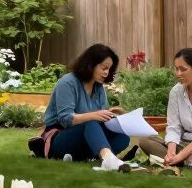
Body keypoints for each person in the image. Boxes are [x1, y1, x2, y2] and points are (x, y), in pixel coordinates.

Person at [37, 43, 132, 171]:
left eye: (109, 69)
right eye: (103, 67)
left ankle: (85, 156)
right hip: (60, 137)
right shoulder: (67, 82)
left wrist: (112, 114)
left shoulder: (98, 87)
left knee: (123, 137)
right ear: (91, 64)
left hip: (86, 137)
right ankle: (107, 158)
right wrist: (94, 115)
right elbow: (65, 119)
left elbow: (100, 120)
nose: (106, 72)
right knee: (91, 123)